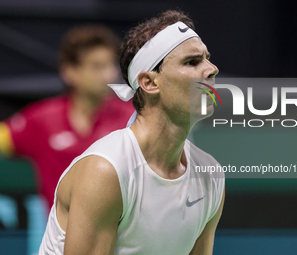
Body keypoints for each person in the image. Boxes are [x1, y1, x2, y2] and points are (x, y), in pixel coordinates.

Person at [40, 10, 225, 255]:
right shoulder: (106, 171)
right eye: (192, 62)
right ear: (149, 83)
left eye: (207, 59)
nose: (212, 69)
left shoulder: (209, 174)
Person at [0, 24, 134, 209]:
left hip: (120, 234)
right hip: (59, 236)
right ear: (69, 71)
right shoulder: (42, 118)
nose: (109, 75)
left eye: (111, 65)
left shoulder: (132, 118)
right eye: (97, 67)